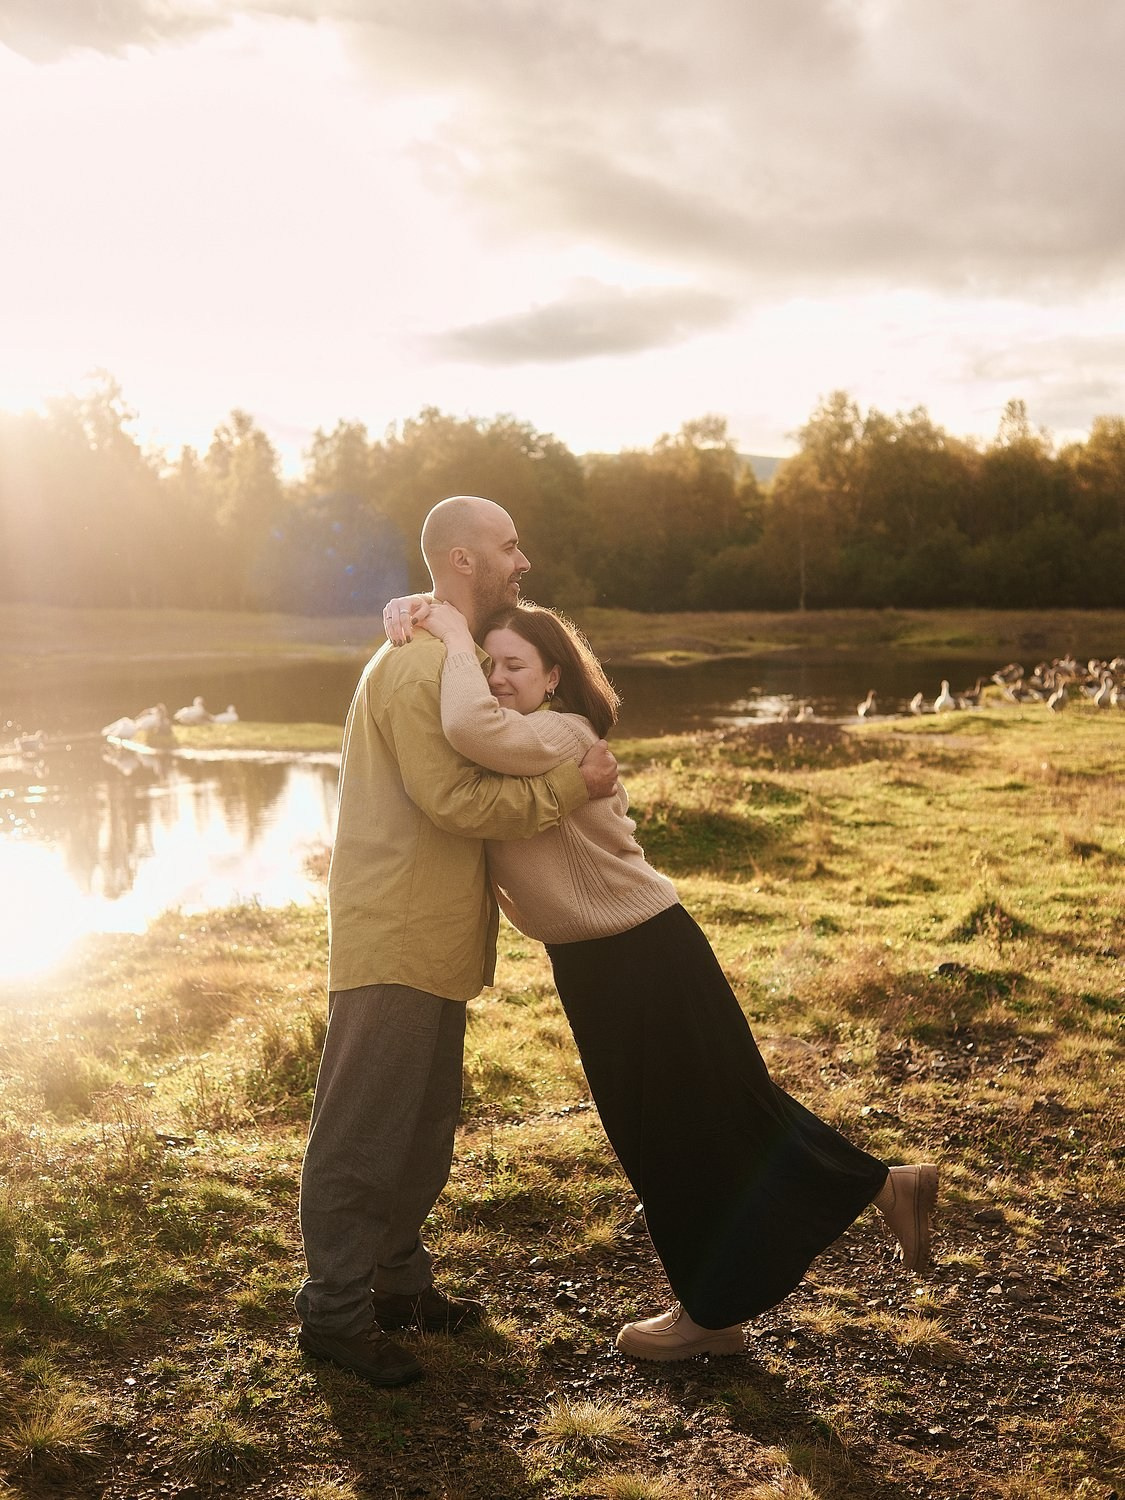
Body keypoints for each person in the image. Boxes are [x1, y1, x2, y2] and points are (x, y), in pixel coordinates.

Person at [384, 594, 938, 1361]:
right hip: (617, 955)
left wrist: (448, 631)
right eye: (490, 664)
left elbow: (467, 727)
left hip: (636, 953)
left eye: (514, 665)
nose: (498, 678)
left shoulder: (558, 732)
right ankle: (873, 1198)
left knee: (668, 1136)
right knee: (717, 1112)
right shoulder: (539, 737)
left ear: (552, 676)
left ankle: (712, 1314)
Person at [294, 497, 620, 1387]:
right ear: (465, 560)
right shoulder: (415, 668)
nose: (525, 558)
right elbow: (455, 802)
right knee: (363, 1132)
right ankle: (331, 1313)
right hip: (394, 930)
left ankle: (398, 1284)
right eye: (509, 545)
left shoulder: (455, 657)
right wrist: (568, 785)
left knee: (422, 1127)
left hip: (435, 935)